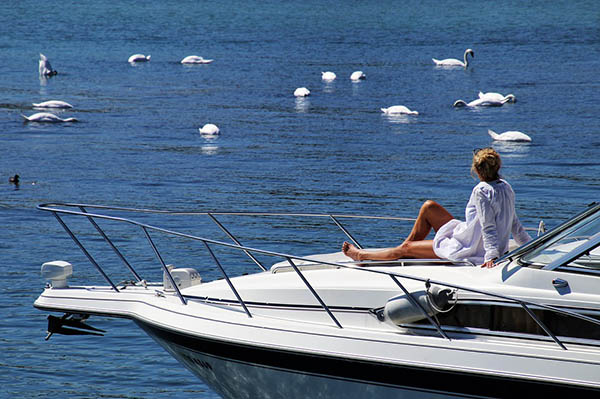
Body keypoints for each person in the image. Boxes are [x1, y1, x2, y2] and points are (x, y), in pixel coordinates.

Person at [342, 148, 531, 268]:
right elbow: (515, 223)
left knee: (407, 248)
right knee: (429, 207)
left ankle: (362, 255)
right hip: (470, 236)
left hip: (470, 248)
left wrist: (491, 256)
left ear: (478, 171)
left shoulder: (481, 191)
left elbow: (488, 226)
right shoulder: (505, 186)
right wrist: (531, 245)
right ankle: (402, 251)